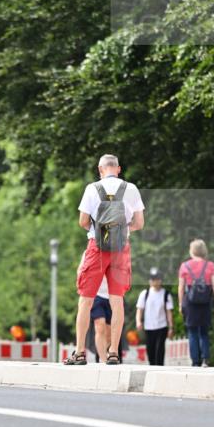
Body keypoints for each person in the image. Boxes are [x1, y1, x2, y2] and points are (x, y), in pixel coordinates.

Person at [66, 154, 144, 366]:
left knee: (86, 299)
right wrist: (123, 229)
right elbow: (139, 223)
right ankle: (113, 353)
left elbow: (82, 221)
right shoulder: (131, 189)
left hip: (97, 248)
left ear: (100, 170)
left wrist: (98, 229)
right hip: (121, 249)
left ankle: (80, 352)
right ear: (118, 168)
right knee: (116, 300)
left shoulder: (92, 189)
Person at [178, 239, 214, 367]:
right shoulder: (210, 265)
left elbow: (181, 287)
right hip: (205, 302)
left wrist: (180, 304)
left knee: (192, 331)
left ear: (192, 251)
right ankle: (205, 359)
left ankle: (195, 361)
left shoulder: (185, 266)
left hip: (190, 303)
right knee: (204, 331)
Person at [136, 267, 174, 366]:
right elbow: (140, 309)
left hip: (162, 326)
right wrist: (138, 321)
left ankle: (159, 368)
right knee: (150, 350)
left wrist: (171, 327)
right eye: (152, 279)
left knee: (160, 350)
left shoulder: (166, 294)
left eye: (156, 279)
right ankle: (152, 367)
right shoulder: (145, 294)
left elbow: (168, 312)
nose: (154, 281)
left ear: (160, 280)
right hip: (149, 327)